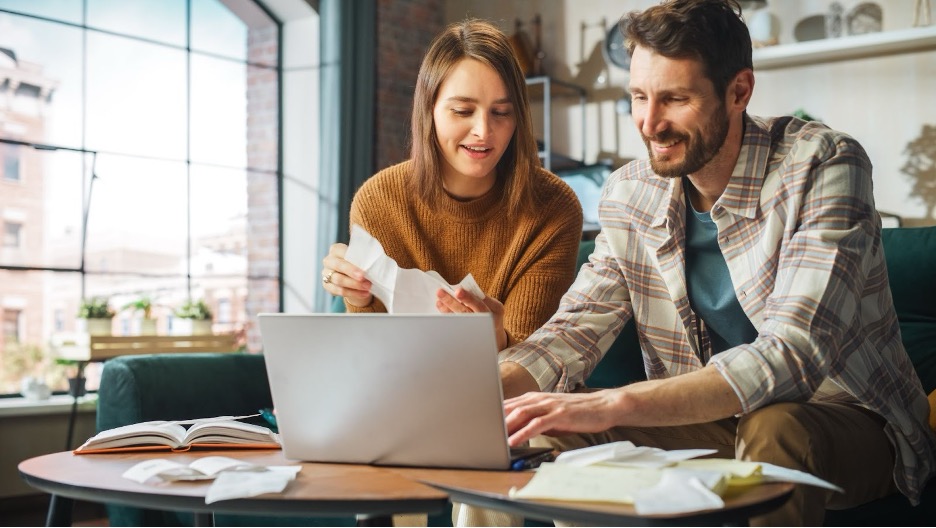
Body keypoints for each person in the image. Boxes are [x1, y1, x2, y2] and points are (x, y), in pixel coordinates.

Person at [492, 1, 936, 526]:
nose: (650, 123)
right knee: (529, 426)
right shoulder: (629, 193)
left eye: (674, 99)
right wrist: (479, 390)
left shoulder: (822, 162)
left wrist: (613, 403)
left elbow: (792, 356)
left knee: (776, 427)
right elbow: (573, 332)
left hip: (845, 419)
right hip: (710, 422)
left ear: (739, 92)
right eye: (638, 97)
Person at [320, 19, 583, 351]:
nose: (483, 131)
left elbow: (536, 364)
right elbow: (372, 352)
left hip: (514, 395)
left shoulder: (553, 206)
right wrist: (352, 290)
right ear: (429, 110)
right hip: (404, 391)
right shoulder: (379, 201)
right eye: (462, 111)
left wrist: (495, 339)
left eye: (501, 113)